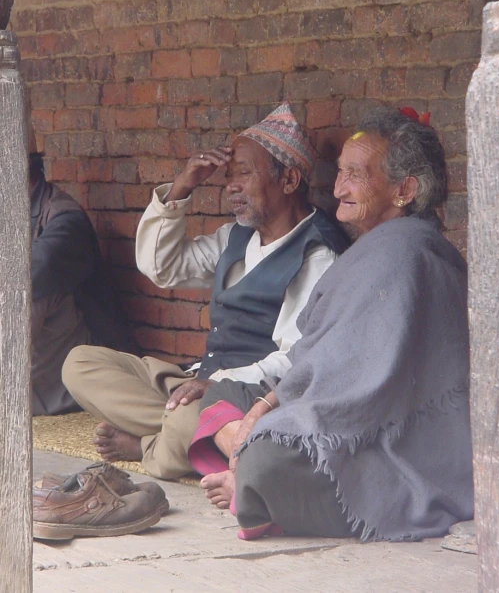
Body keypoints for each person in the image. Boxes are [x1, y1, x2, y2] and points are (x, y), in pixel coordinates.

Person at [191, 104, 474, 542]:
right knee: (227, 397)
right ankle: (249, 475)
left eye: (355, 175)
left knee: (270, 457)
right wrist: (270, 404)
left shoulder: (402, 254)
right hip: (347, 417)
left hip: (391, 443)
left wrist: (270, 412)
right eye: (339, 172)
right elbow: (324, 354)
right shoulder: (382, 246)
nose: (338, 186)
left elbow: (356, 389)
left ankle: (252, 482)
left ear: (404, 189)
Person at [62, 103, 349, 479]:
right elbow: (161, 266)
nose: (230, 185)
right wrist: (182, 186)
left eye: (243, 173)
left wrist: (214, 385)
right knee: (79, 364)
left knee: (188, 420)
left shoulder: (317, 255)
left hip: (245, 397)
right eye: (229, 175)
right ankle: (179, 435)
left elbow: (295, 359)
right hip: (197, 382)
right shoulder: (237, 237)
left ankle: (152, 445)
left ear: (290, 180)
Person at [29, 138, 136, 416]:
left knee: (23, 292)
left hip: (77, 366)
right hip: (41, 362)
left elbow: (33, 271)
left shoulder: (65, 218)